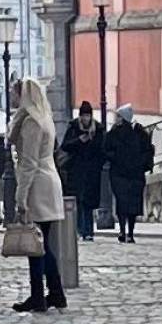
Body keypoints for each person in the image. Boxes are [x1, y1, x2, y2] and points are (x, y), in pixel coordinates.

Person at [8, 77, 67, 312]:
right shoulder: (43, 118)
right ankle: (55, 293)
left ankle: (38, 296)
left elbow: (29, 162)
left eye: (14, 93)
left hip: (38, 184)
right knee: (42, 244)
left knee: (35, 245)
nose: (12, 98)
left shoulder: (32, 122)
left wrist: (20, 196)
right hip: (48, 179)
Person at [105, 104, 155, 243]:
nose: (116, 119)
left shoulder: (138, 132)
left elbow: (148, 151)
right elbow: (106, 149)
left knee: (130, 205)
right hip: (121, 174)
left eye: (119, 116)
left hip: (133, 174)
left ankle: (129, 232)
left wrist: (141, 164)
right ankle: (123, 231)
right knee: (123, 203)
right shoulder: (115, 132)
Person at [59, 101, 106, 240]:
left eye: (87, 115)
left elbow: (102, 150)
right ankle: (80, 229)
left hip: (92, 171)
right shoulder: (73, 127)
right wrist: (79, 141)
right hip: (76, 170)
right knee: (78, 201)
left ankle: (89, 231)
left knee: (89, 203)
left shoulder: (98, 129)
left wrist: (92, 141)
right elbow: (65, 146)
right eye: (83, 116)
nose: (85, 118)